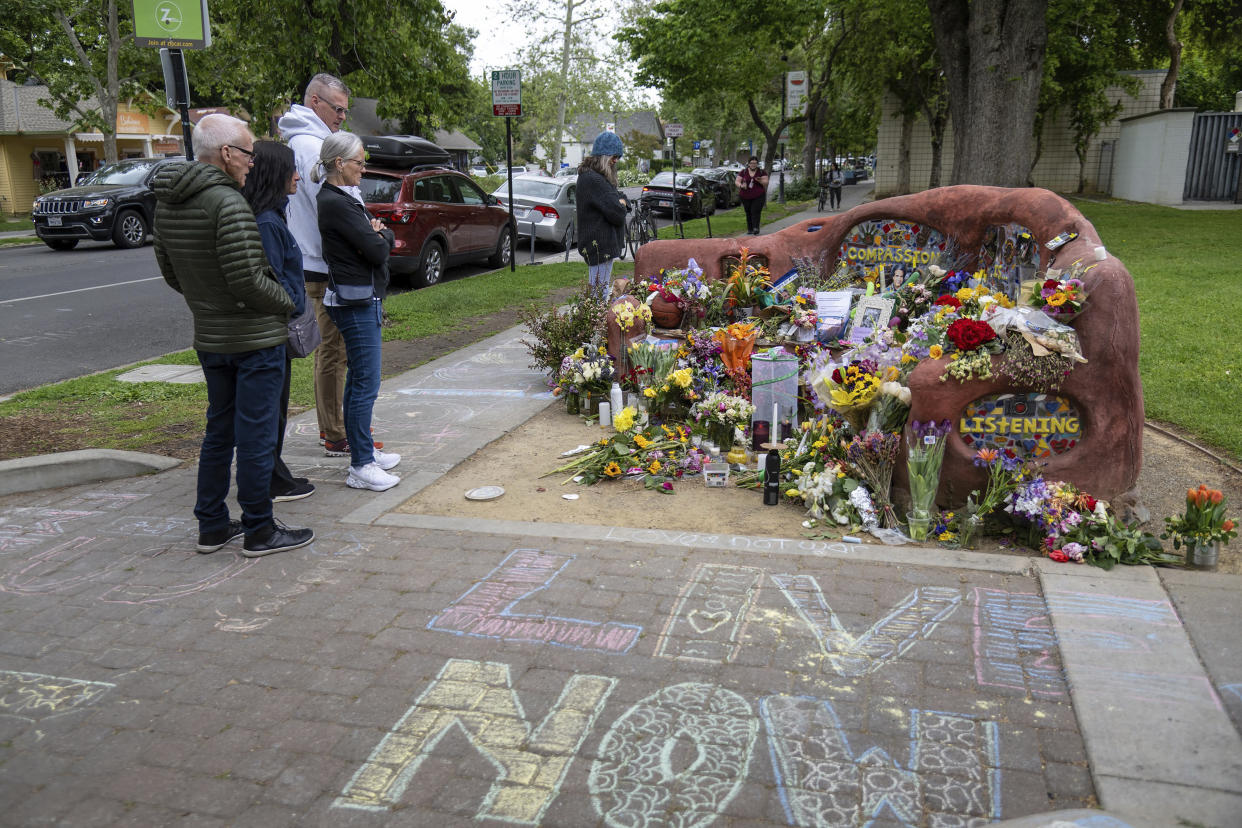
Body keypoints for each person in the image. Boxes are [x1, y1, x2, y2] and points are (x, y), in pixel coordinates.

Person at [152, 114, 314, 558]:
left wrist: (209, 303)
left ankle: (212, 525)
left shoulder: (169, 204)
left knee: (219, 431)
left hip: (211, 338)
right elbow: (248, 280)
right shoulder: (227, 203)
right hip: (254, 340)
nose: (250, 162)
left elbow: (172, 272)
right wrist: (288, 302)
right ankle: (261, 529)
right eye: (247, 153)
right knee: (257, 436)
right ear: (226, 154)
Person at [279, 73, 382, 459]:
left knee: (341, 352)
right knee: (334, 352)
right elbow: (331, 207)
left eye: (344, 109)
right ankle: (338, 433)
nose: (341, 115)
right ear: (314, 102)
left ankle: (346, 430)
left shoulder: (311, 142)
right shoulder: (310, 146)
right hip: (322, 267)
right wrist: (366, 237)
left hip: (325, 262)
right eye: (336, 108)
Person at [313, 131, 402, 492]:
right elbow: (379, 249)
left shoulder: (346, 197)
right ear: (339, 163)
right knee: (366, 383)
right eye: (359, 163)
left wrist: (380, 235)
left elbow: (382, 237)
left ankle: (364, 452)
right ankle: (361, 465)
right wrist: (379, 236)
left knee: (359, 382)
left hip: (362, 296)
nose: (363, 170)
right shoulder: (335, 201)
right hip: (355, 300)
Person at [240, 141, 315, 503]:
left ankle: (275, 472)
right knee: (270, 412)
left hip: (274, 328)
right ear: (275, 174)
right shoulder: (267, 223)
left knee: (275, 410)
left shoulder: (273, 215)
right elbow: (269, 278)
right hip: (271, 332)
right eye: (292, 169)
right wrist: (294, 302)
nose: (298, 176)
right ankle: (269, 480)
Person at [576, 131, 629, 299]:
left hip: (602, 245)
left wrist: (621, 202)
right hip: (599, 245)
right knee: (598, 294)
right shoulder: (593, 180)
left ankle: (589, 323)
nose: (616, 161)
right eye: (614, 157)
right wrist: (620, 203)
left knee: (598, 292)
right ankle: (589, 325)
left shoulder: (598, 178)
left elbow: (621, 198)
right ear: (603, 157)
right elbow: (618, 212)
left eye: (618, 158)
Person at [735, 156, 769, 235]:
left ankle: (755, 228)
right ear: (748, 164)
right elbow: (737, 181)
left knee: (755, 211)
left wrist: (760, 181)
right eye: (751, 163)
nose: (753, 164)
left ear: (757, 164)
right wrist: (741, 186)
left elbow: (766, 182)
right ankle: (750, 229)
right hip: (745, 196)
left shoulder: (761, 172)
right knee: (748, 212)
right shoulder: (743, 172)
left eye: (755, 163)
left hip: (758, 195)